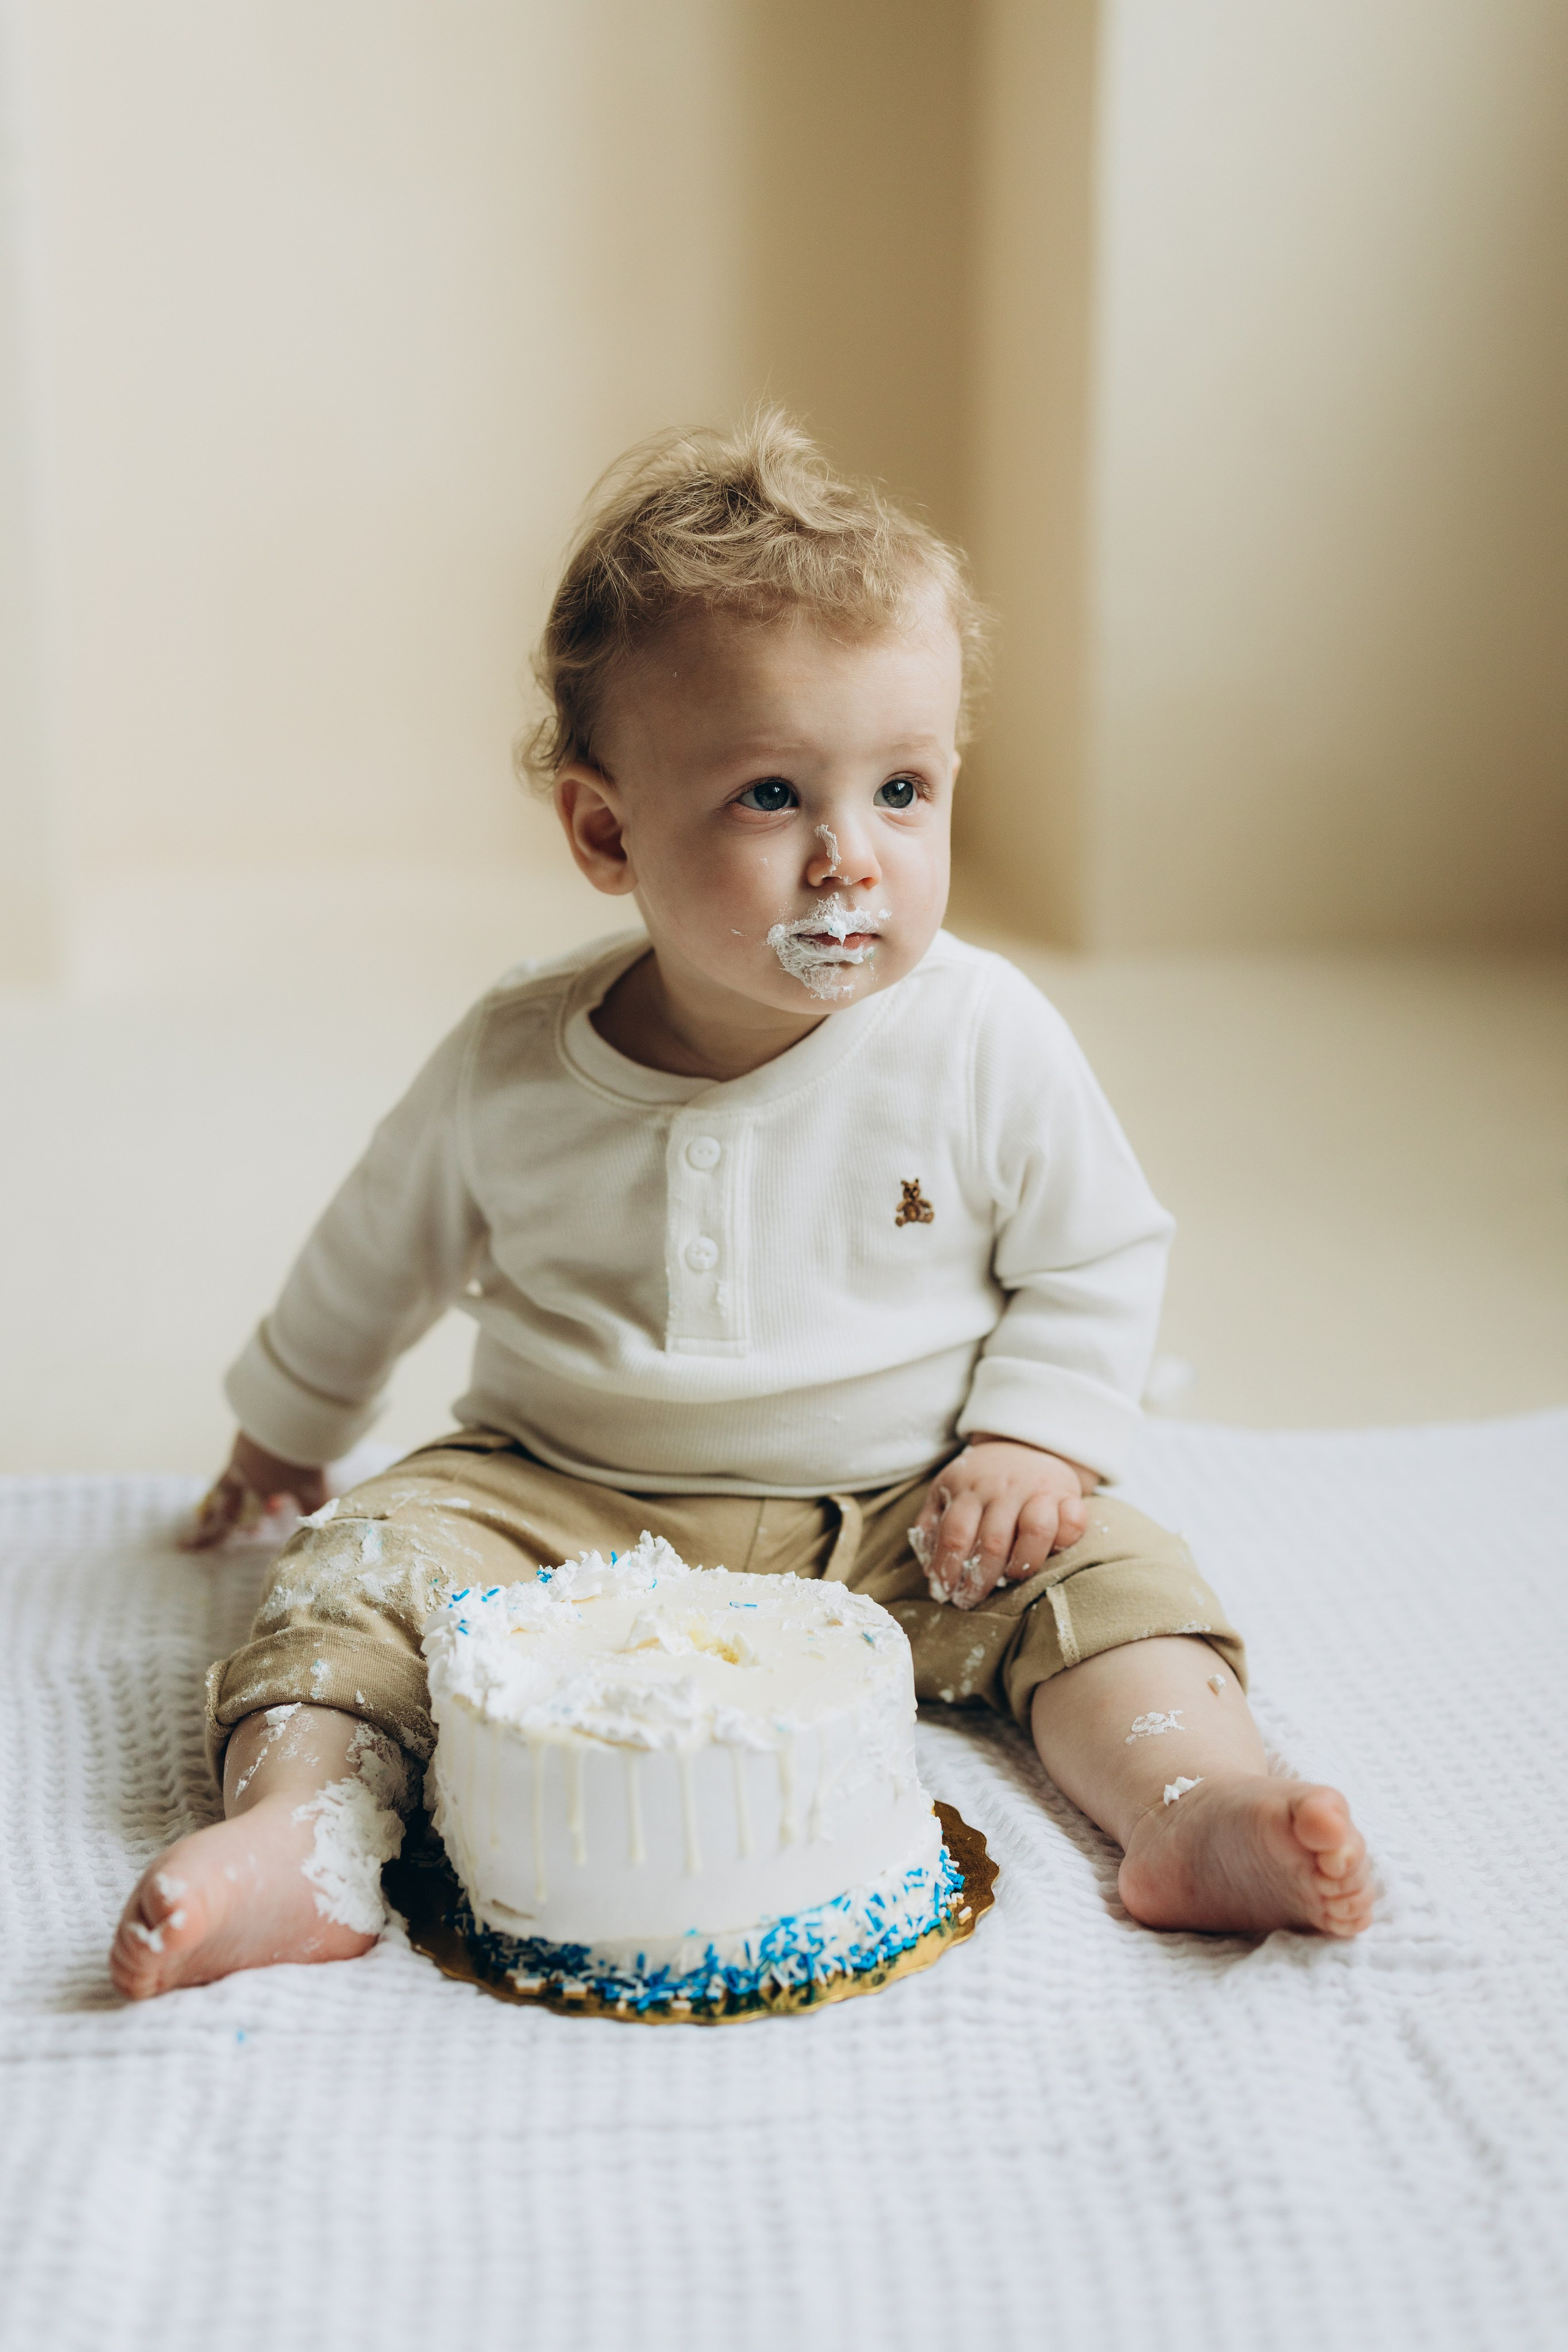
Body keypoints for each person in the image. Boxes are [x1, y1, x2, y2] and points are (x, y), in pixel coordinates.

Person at [110, 415, 1372, 1999]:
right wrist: (289, 1428)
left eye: (903, 790)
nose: (853, 862)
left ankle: (1194, 1803)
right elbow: (380, 1249)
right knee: (354, 1579)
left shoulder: (980, 1038)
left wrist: (1035, 1441)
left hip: (915, 1507)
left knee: (1115, 1587)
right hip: (559, 1495)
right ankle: (302, 1841)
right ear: (605, 831)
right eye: (775, 795)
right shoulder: (516, 1058)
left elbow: (1099, 1250)